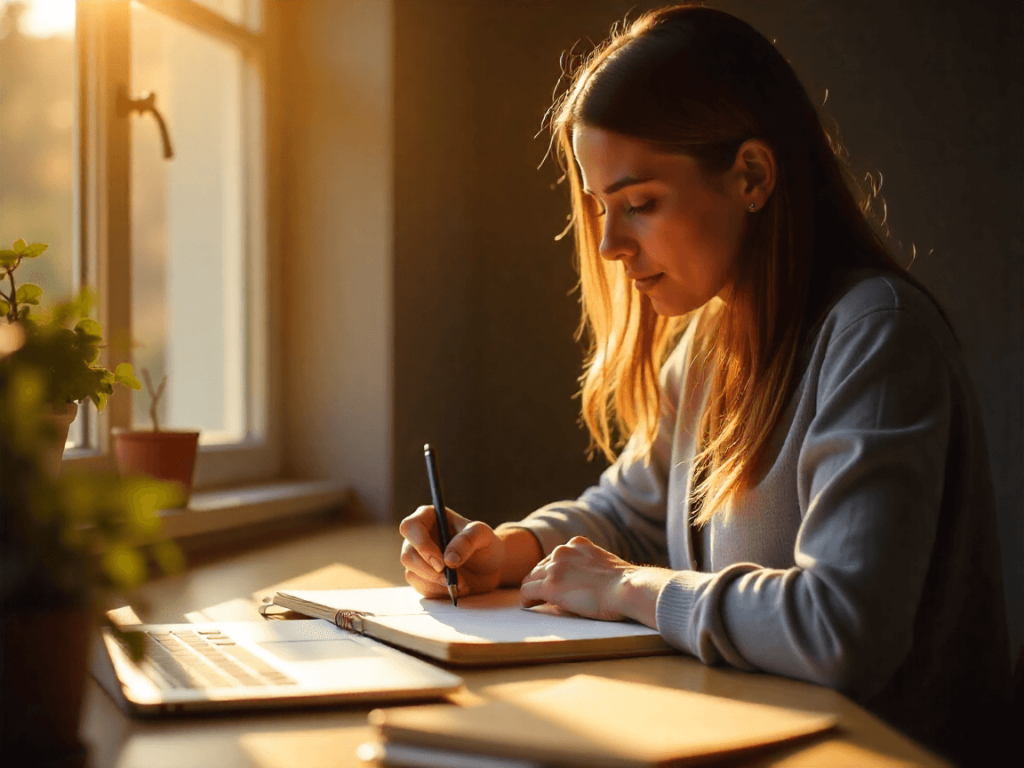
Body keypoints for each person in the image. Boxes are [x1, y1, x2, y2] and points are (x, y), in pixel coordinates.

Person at [399, 4, 1011, 765]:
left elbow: (841, 628)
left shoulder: (877, 336)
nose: (610, 244)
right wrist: (511, 550)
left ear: (751, 174)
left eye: (640, 204)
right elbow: (629, 511)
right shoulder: (704, 346)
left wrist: (629, 591)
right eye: (598, 208)